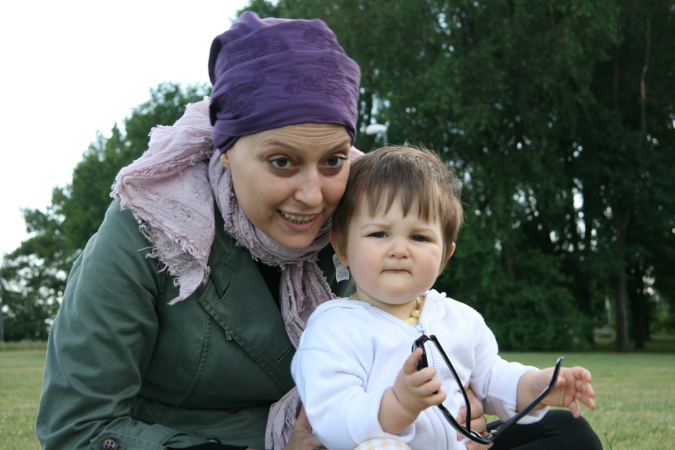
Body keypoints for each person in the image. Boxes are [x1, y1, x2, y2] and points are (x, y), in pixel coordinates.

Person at [291, 146, 602, 450]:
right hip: (384, 444)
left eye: (419, 237)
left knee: (570, 429)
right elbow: (333, 421)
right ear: (342, 247)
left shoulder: (458, 318)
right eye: (379, 234)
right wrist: (398, 404)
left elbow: (492, 378)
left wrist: (536, 387)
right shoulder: (333, 328)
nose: (399, 249)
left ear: (444, 257)